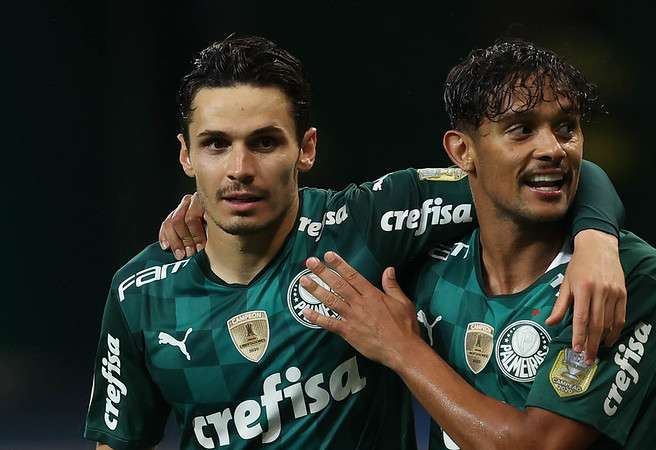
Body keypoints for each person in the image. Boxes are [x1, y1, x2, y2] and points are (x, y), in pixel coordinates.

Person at [84, 36, 627, 449]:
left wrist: (598, 239)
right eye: (216, 145)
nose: (241, 169)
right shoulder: (141, 294)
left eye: (266, 143)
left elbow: (537, 173)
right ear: (186, 156)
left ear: (307, 149)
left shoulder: (370, 223)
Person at [299, 39, 656, 450]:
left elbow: (539, 445)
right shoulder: (432, 263)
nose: (553, 149)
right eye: (521, 129)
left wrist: (402, 348)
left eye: (566, 128)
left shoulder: (625, 276)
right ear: (462, 151)